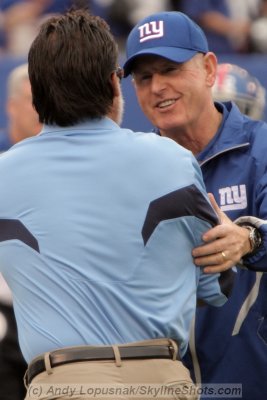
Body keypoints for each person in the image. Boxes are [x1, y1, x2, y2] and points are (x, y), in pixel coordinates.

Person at [0, 8, 234, 400]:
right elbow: (216, 285)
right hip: (158, 381)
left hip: (59, 385)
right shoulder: (171, 161)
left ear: (36, 96)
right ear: (114, 82)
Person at [123, 11, 267, 400]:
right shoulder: (132, 169)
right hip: (163, 388)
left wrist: (250, 239)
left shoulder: (261, 147)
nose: (157, 87)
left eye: (170, 69)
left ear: (208, 68)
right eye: (144, 77)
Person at [0, 62, 42, 400]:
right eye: (32, 99)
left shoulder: (67, 165)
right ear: (11, 105)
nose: (42, 108)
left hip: (53, 316)